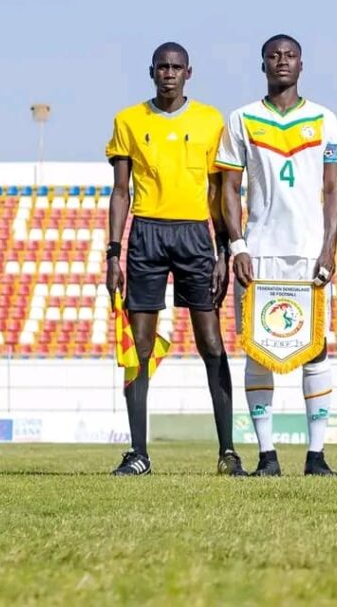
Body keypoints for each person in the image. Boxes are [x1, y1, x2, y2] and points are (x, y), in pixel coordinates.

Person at [105, 41, 244, 476]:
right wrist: (113, 251)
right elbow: (121, 191)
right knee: (138, 349)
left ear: (189, 72)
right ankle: (139, 453)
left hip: (194, 236)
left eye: (176, 67)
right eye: (162, 67)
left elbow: (220, 191)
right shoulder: (128, 120)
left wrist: (223, 250)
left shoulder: (209, 120)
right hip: (146, 234)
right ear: (152, 72)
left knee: (210, 343)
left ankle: (228, 453)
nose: (169, 73)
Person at [217, 34, 337, 477]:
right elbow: (228, 188)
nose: (282, 62)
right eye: (273, 56)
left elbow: (333, 189)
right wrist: (238, 245)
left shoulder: (325, 120)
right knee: (257, 348)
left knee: (317, 349)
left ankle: (317, 455)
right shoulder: (242, 119)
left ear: (302, 64)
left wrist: (330, 247)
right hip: (260, 251)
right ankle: (267, 456)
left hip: (310, 253)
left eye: (289, 55)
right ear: (263, 64)